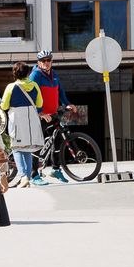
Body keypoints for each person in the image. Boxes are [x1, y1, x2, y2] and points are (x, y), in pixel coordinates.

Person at [28, 49, 76, 185]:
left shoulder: (54, 74)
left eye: (48, 60)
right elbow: (31, 96)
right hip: (41, 117)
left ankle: (55, 169)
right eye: (43, 61)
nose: (46, 63)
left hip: (53, 114)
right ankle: (34, 174)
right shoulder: (35, 76)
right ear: (39, 62)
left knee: (59, 140)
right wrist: (40, 112)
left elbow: (60, 91)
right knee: (37, 144)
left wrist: (67, 104)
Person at [1, 61, 44, 188]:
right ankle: (28, 177)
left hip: (17, 120)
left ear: (14, 73)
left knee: (16, 148)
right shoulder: (35, 85)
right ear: (28, 73)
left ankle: (23, 176)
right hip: (31, 120)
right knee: (27, 149)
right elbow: (40, 104)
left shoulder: (11, 87)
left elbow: (4, 105)